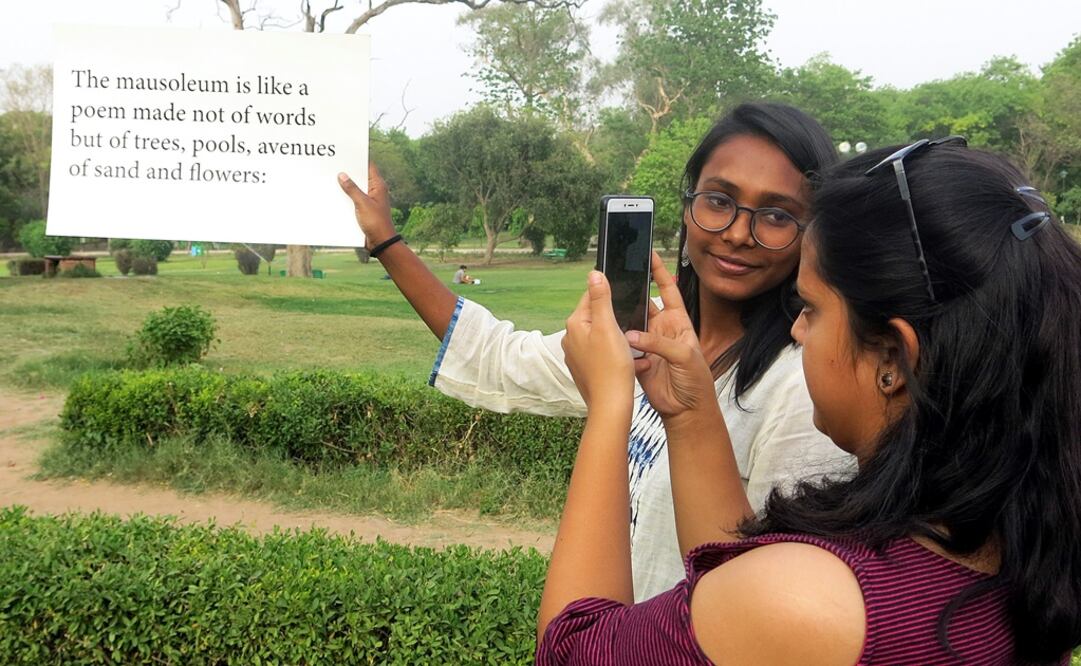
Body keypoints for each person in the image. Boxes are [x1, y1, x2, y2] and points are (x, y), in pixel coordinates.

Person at [536, 141, 1081, 663]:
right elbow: (729, 583)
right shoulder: (1014, 549)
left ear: (893, 358)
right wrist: (690, 411)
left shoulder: (814, 602)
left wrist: (610, 406)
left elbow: (571, 649)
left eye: (813, 308)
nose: (797, 329)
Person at [338, 103, 852, 601]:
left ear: (814, 231)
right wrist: (384, 236)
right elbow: (499, 359)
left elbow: (768, 603)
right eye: (719, 200)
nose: (739, 233)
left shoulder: (802, 385)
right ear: (688, 203)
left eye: (777, 215)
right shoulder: (641, 332)